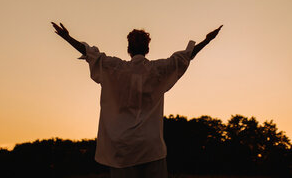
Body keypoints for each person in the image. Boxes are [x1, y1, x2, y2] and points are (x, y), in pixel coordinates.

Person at [51, 22, 223, 178]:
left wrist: (68, 38)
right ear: (147, 49)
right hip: (151, 147)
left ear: (129, 49)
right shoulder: (157, 70)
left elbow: (91, 55)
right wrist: (206, 41)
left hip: (122, 149)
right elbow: (184, 57)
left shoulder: (116, 68)